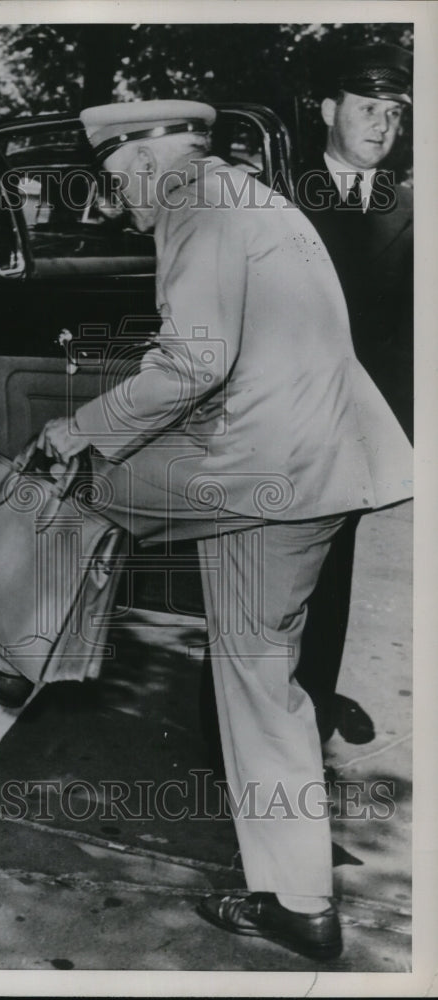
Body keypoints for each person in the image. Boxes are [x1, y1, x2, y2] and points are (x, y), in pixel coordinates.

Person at [0, 99, 412, 960]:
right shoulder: (254, 200)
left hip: (258, 465)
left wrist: (80, 427)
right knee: (262, 680)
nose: (114, 203)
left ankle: (9, 656)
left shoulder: (196, 206)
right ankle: (299, 903)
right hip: (319, 470)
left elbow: (193, 361)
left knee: (63, 478)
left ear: (149, 162)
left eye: (114, 182)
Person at [294, 43, 413, 746]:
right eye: (367, 108)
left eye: (394, 114)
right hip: (275, 430)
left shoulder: (408, 208)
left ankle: (306, 721)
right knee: (254, 596)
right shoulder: (273, 194)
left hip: (355, 438)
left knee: (331, 581)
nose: (381, 125)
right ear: (328, 109)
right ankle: (229, 754)